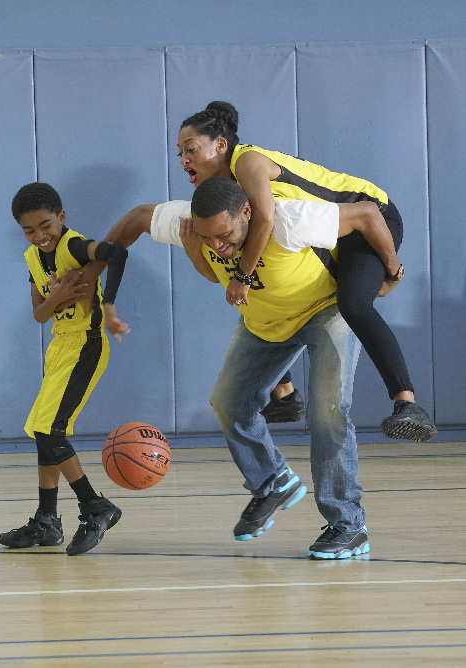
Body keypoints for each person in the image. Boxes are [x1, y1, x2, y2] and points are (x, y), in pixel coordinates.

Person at [138, 177, 377, 558]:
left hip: (325, 312)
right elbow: (138, 215)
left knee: (327, 413)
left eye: (224, 234)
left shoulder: (291, 219)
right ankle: (272, 478)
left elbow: (369, 214)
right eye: (208, 237)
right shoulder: (194, 226)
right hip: (265, 322)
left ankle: (348, 524)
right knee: (228, 401)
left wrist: (391, 271)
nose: (217, 244)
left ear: (247, 212)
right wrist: (191, 251)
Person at [177, 101, 435, 442]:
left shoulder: (247, 162)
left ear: (220, 145)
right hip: (332, 233)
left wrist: (393, 271)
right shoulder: (220, 195)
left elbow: (266, 220)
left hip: (368, 219)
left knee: (353, 303)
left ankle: (408, 403)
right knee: (270, 288)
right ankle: (284, 394)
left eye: (191, 149)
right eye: (179, 153)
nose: (183, 160)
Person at [0, 182, 131, 554]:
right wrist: (56, 296)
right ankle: (46, 520)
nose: (39, 235)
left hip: (85, 346)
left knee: (51, 431)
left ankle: (95, 506)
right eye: (29, 230)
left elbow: (117, 253)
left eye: (45, 225)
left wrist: (109, 307)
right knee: (42, 432)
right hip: (60, 347)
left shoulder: (73, 246)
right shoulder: (32, 259)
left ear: (61, 217)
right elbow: (40, 314)